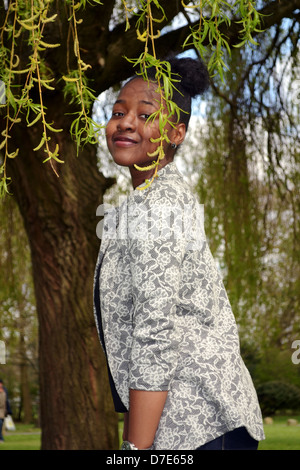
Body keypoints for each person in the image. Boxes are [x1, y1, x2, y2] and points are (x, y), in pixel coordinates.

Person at [93, 57, 265, 450]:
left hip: (199, 418)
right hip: (180, 422)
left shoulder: (160, 206)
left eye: (144, 114)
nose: (126, 122)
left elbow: (155, 332)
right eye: (118, 111)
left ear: (176, 131)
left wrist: (135, 450)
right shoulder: (142, 204)